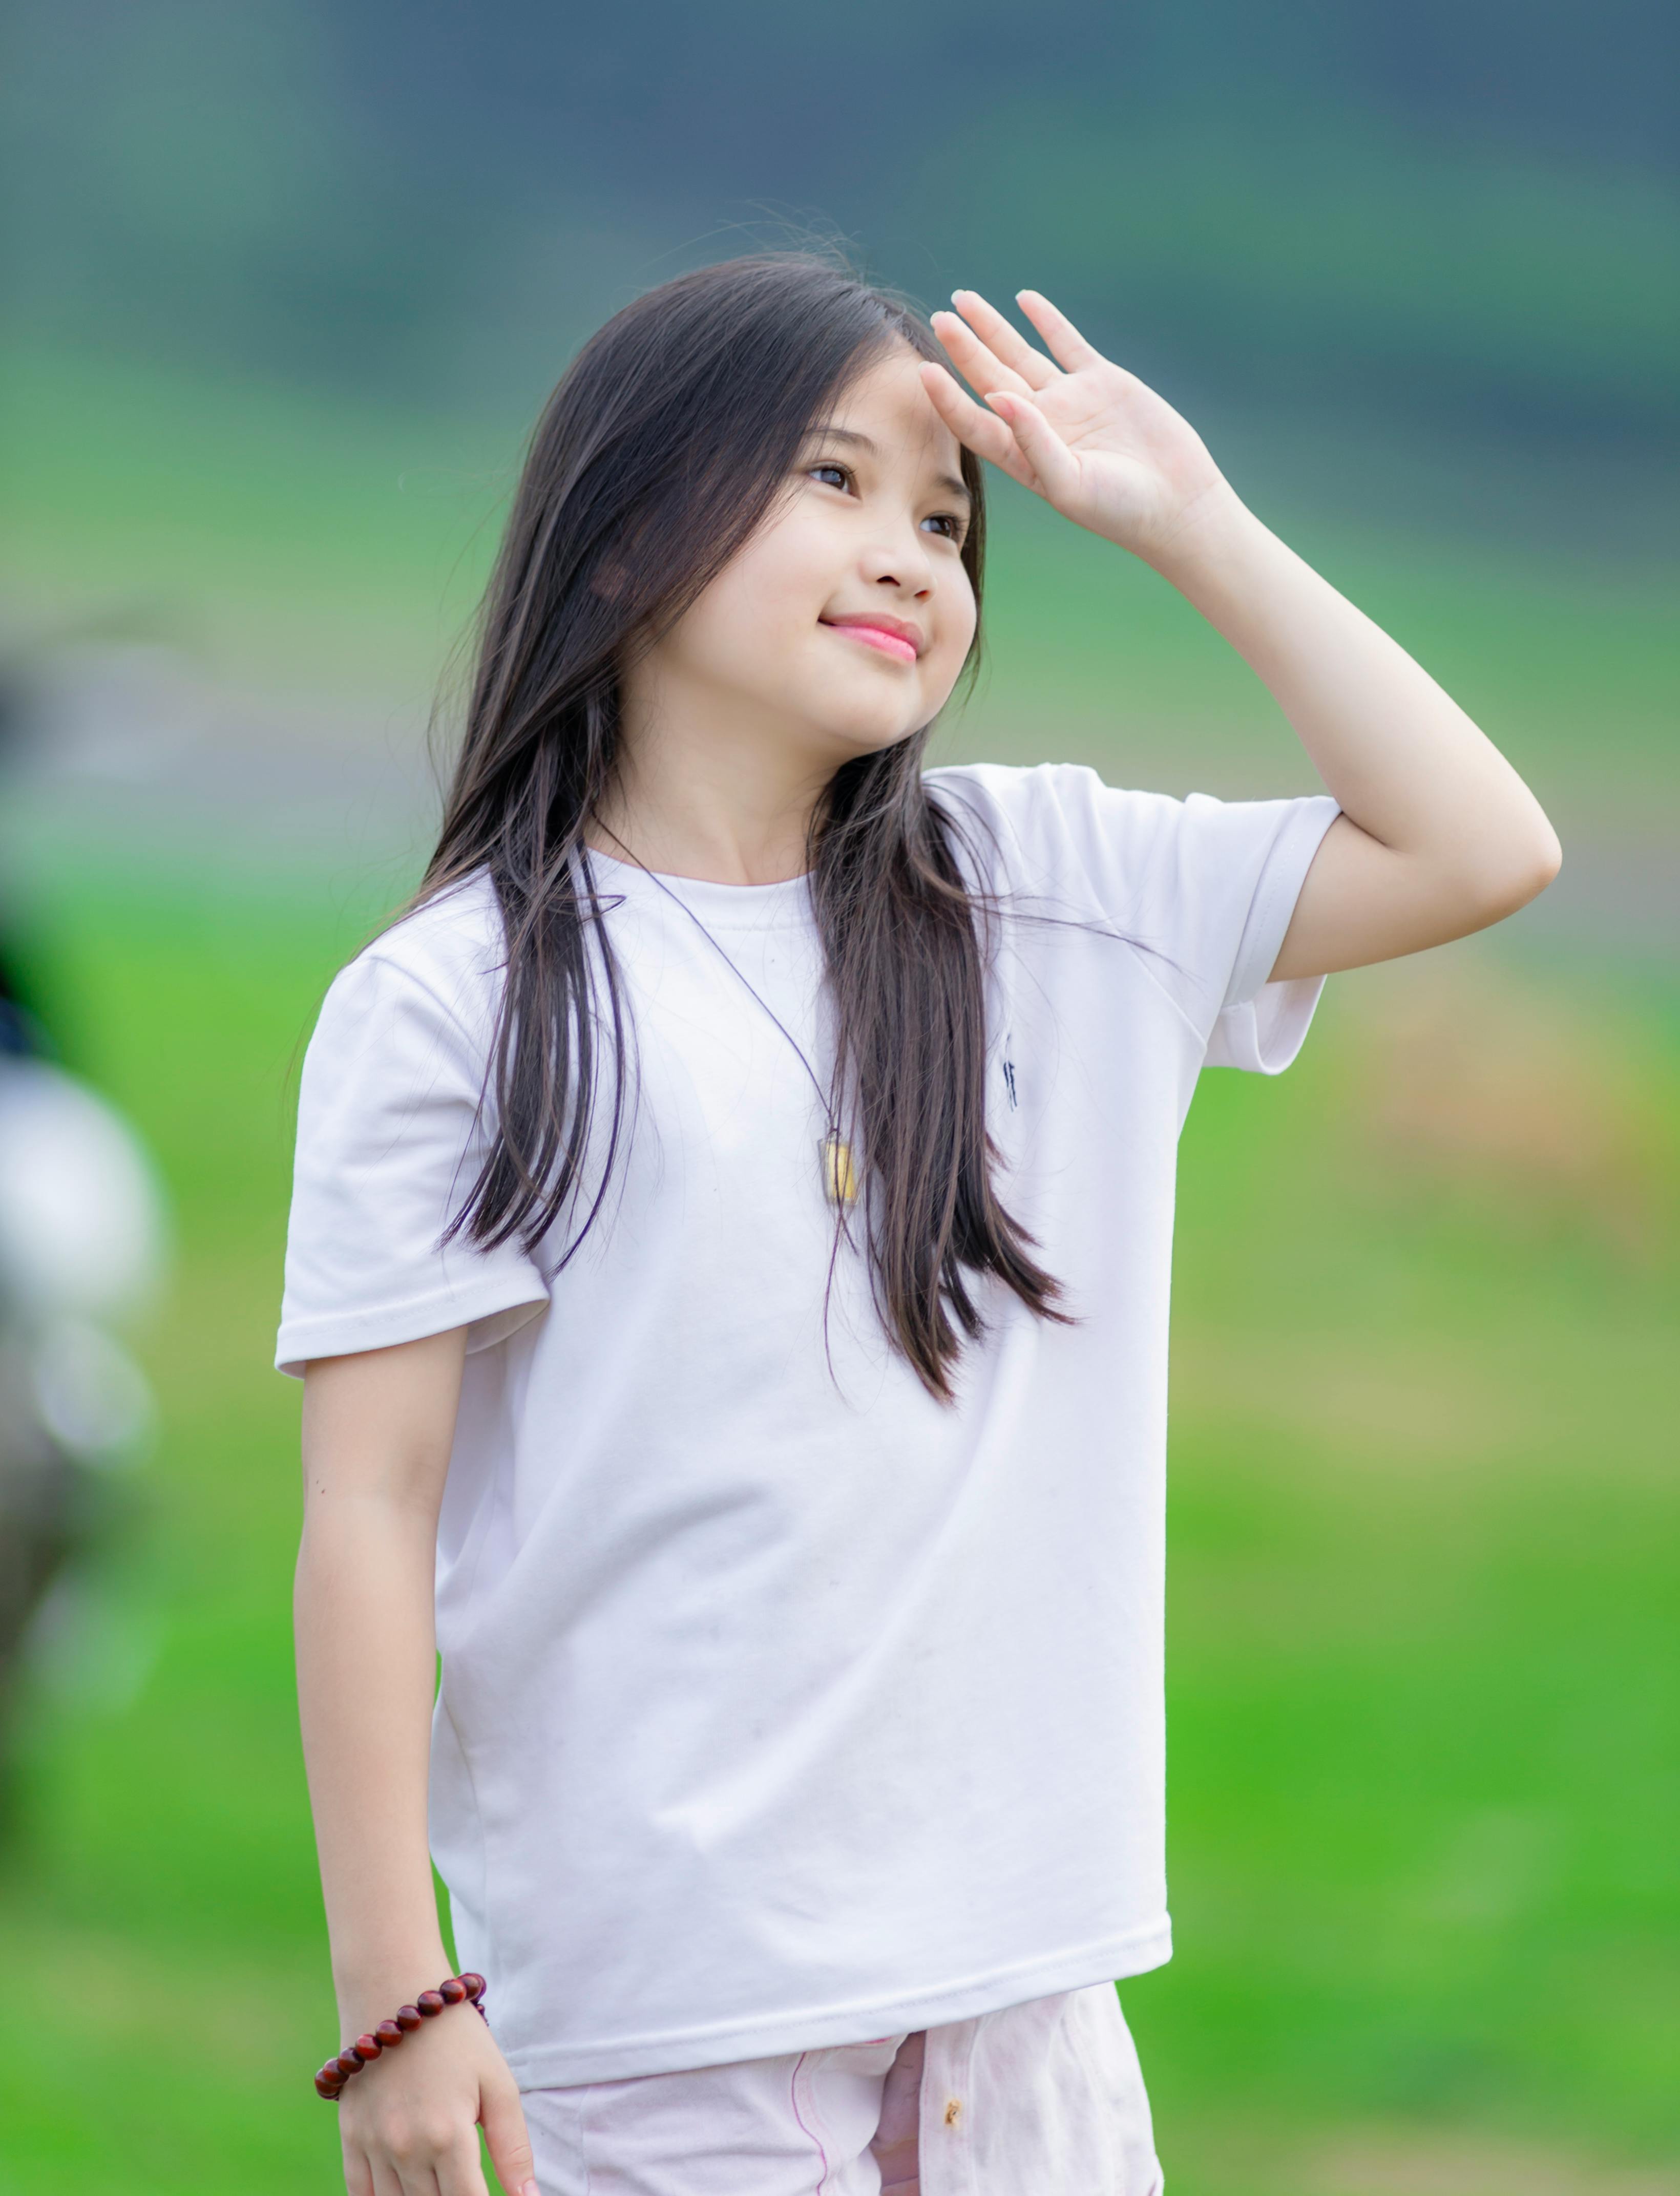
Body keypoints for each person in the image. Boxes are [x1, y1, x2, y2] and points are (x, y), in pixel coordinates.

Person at [281, 255, 1560, 2196]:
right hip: (655, 2034)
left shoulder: (1043, 890)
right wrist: (400, 1993)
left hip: (1020, 2018)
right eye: (832, 481)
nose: (911, 556)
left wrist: (1193, 526)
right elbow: (366, 1512)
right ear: (624, 538)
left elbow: (1481, 845)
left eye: (949, 522)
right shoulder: (461, 998)